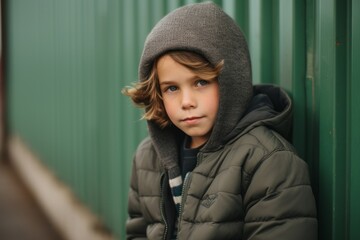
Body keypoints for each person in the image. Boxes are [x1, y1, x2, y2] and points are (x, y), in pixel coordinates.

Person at [123, 2, 317, 240]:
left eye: (200, 82)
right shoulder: (148, 158)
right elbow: (137, 232)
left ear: (231, 81)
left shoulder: (268, 161)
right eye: (172, 88)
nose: (187, 101)